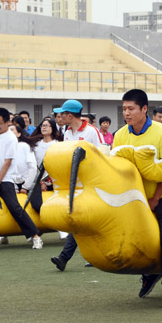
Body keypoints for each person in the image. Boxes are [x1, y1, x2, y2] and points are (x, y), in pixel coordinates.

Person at [113, 89, 162, 309]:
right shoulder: (120, 135)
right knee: (140, 237)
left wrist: (155, 198)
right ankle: (150, 274)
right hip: (136, 196)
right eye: (124, 109)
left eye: (131, 109)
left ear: (144, 109)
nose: (127, 113)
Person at [48, 100, 103, 269]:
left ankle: (67, 257)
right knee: (80, 220)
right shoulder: (66, 132)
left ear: (70, 115)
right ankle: (73, 258)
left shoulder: (91, 132)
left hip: (92, 183)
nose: (60, 116)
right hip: (76, 184)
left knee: (82, 220)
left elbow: (103, 154)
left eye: (62, 114)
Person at [0, 108, 44, 249]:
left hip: (5, 178)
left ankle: (35, 235)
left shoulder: (11, 138)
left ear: (7, 122)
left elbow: (7, 162)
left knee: (14, 207)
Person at [28, 118, 60, 214]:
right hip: (38, 179)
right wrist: (41, 182)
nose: (44, 127)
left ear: (53, 128)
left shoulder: (57, 144)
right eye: (42, 125)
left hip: (54, 179)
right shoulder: (36, 145)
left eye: (46, 125)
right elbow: (34, 164)